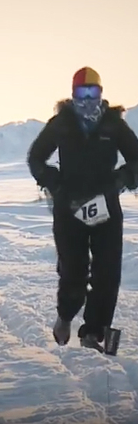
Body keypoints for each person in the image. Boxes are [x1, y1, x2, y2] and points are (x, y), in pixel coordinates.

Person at [27, 66, 138, 352]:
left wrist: (122, 179)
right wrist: (54, 183)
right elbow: (36, 157)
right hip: (69, 207)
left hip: (106, 207)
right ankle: (65, 316)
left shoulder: (113, 125)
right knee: (75, 271)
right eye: (81, 92)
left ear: (101, 93)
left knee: (107, 272)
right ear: (72, 93)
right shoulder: (61, 124)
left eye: (93, 92)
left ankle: (93, 331)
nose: (87, 98)